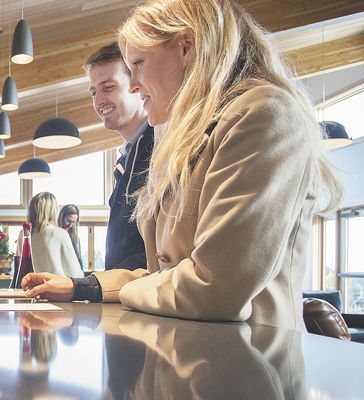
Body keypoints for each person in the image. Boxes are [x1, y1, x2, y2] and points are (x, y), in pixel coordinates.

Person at [22, 0, 341, 330]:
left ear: (185, 48)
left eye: (138, 65)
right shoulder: (183, 134)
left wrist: (121, 289)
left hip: (250, 365)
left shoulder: (264, 114)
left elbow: (213, 287)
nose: (133, 85)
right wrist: (81, 286)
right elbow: (163, 277)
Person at [85, 42, 154, 271]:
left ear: (136, 86)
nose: (98, 101)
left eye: (108, 87)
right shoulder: (127, 156)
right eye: (93, 92)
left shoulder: (159, 147)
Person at [18, 193, 83, 279]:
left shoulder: (23, 233)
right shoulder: (60, 234)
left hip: (31, 288)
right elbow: (75, 273)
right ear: (53, 210)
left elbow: (19, 265)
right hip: (56, 290)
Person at [57, 204, 84, 270]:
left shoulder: (75, 238)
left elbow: (79, 260)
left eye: (74, 222)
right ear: (61, 219)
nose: (71, 225)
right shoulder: (55, 235)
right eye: (68, 221)